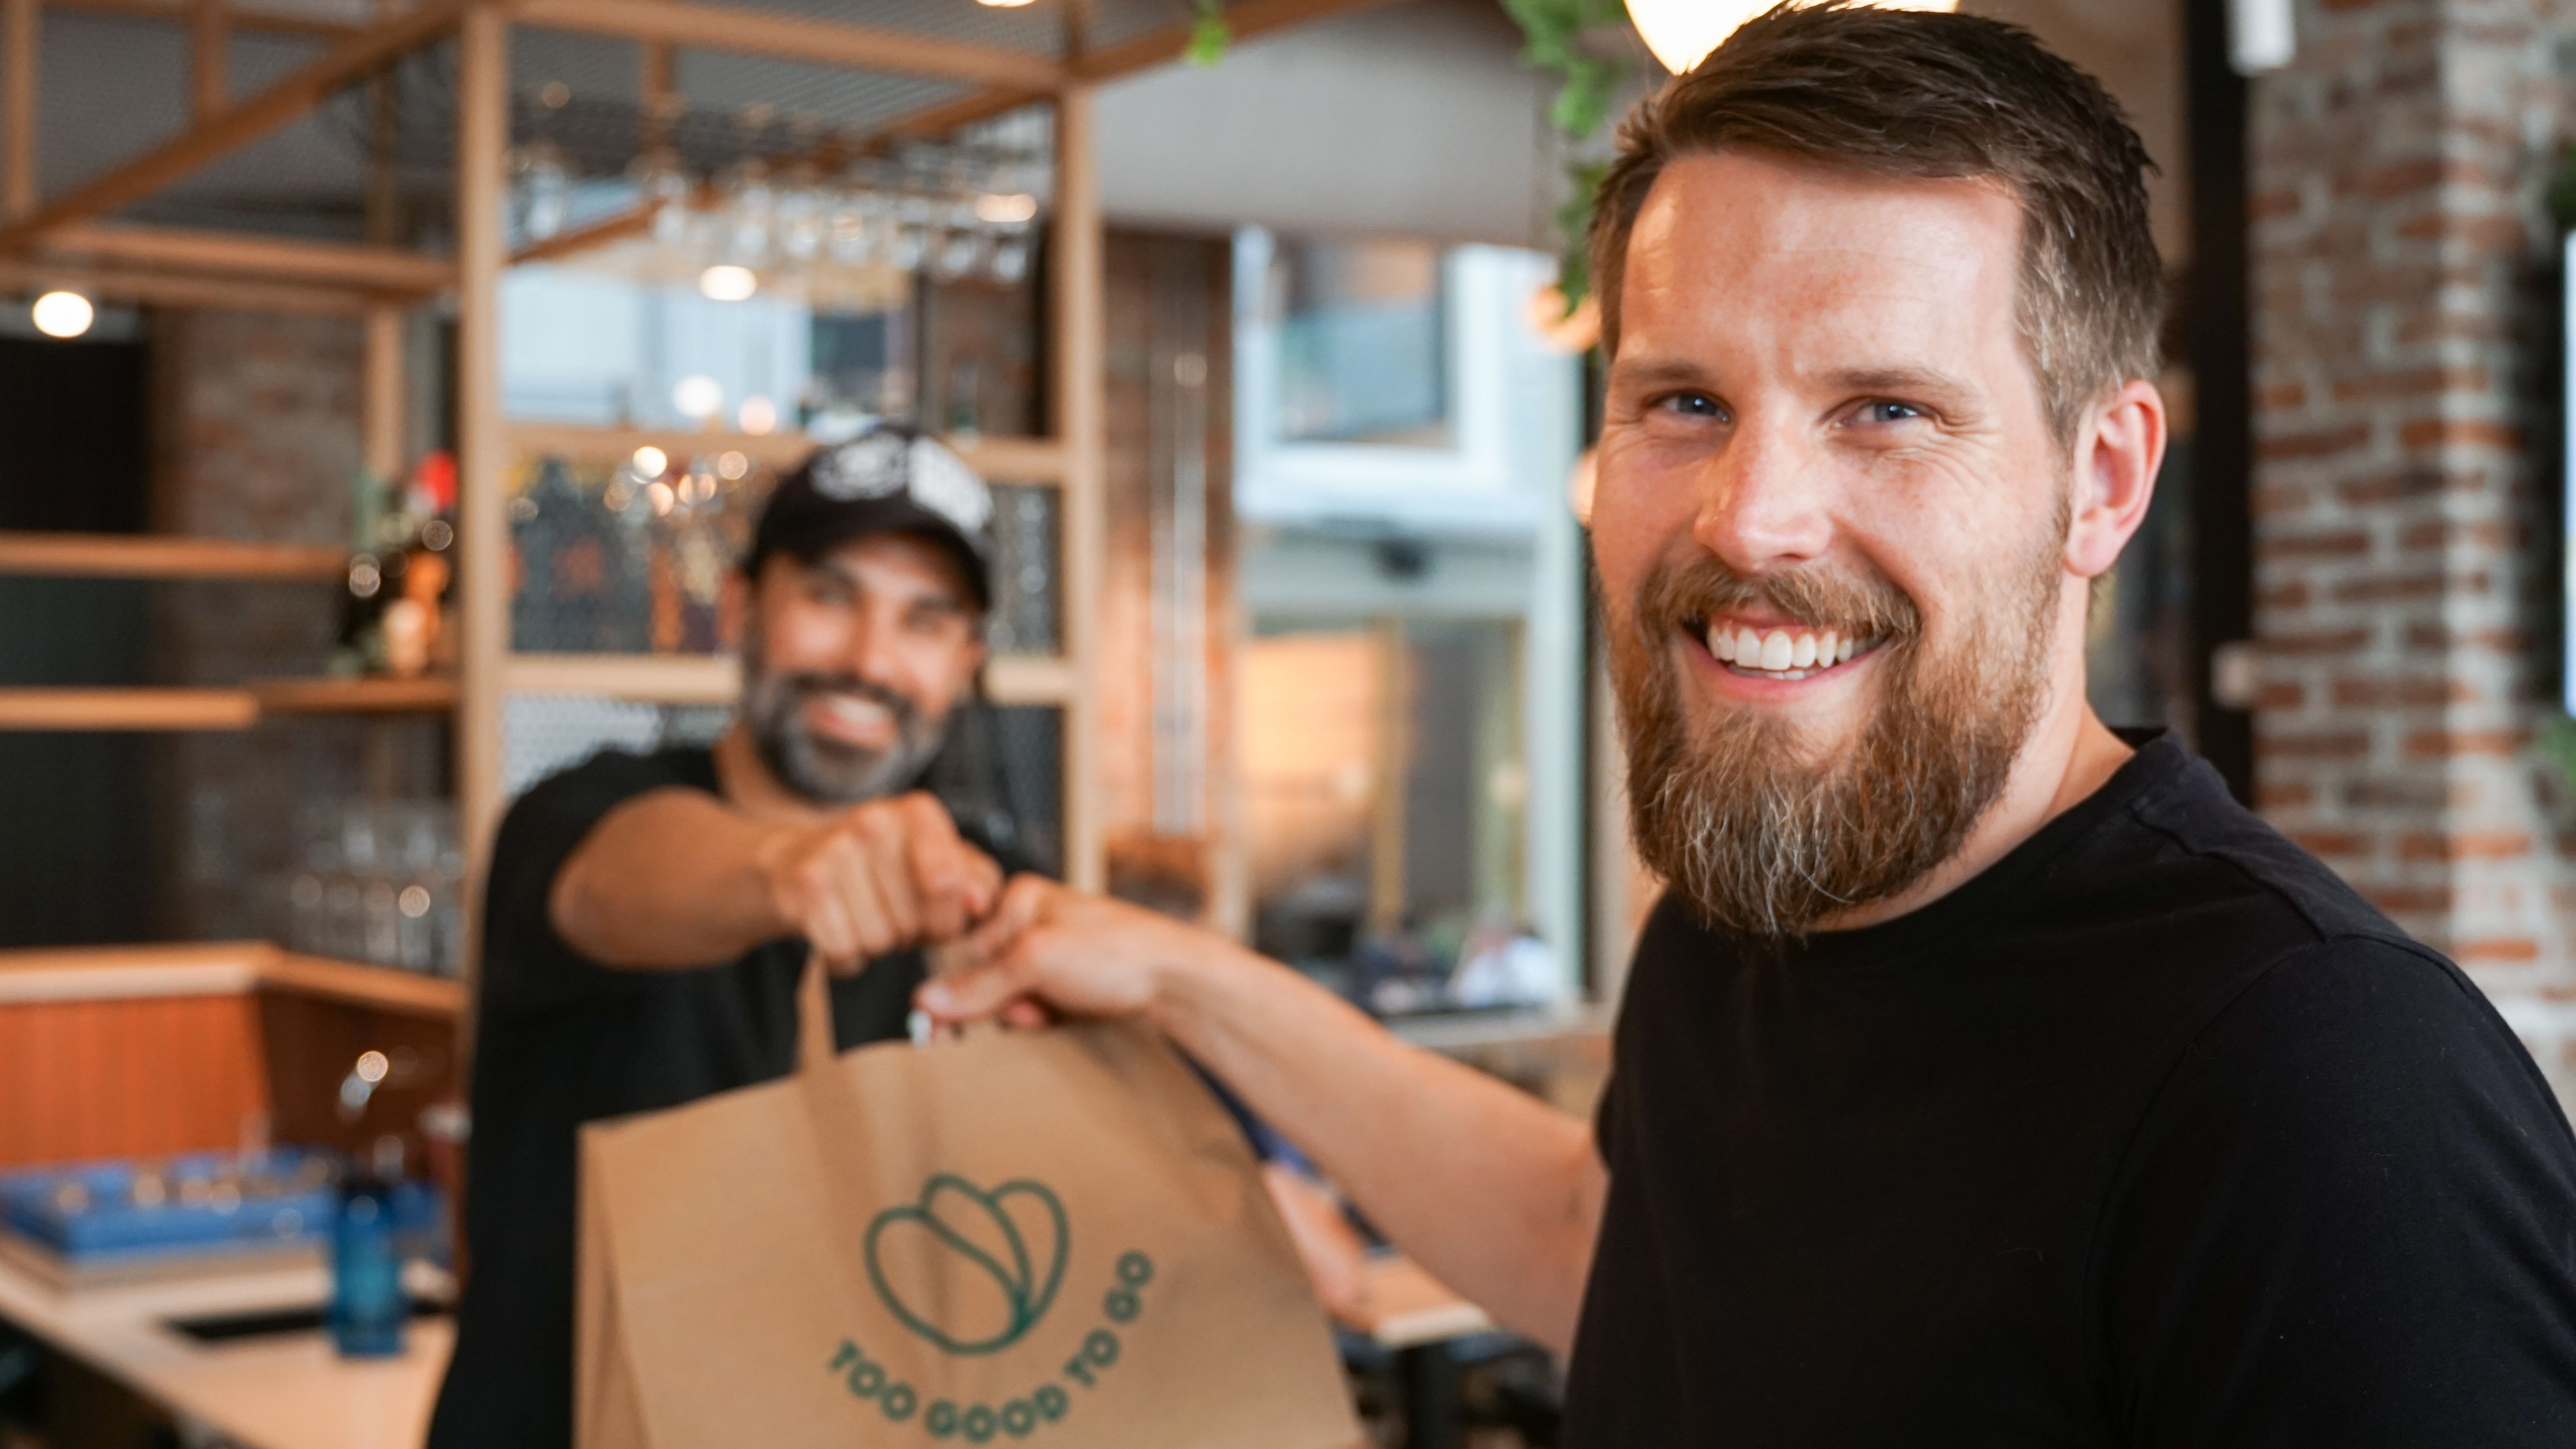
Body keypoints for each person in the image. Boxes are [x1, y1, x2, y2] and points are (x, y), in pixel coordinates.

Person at [920, 6, 2576, 1444]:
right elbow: (1613, 1251)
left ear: (2103, 479)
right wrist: (1184, 977)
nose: (1753, 514)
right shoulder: (1750, 898)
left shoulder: (2318, 1080)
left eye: (1888, 410)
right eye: (1685, 401)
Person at [427, 424, 1019, 1447]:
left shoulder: (986, 895)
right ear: (742, 607)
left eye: (924, 621)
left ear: (966, 662)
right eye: (831, 597)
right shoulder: (580, 814)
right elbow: (607, 887)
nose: (869, 661)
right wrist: (784, 869)